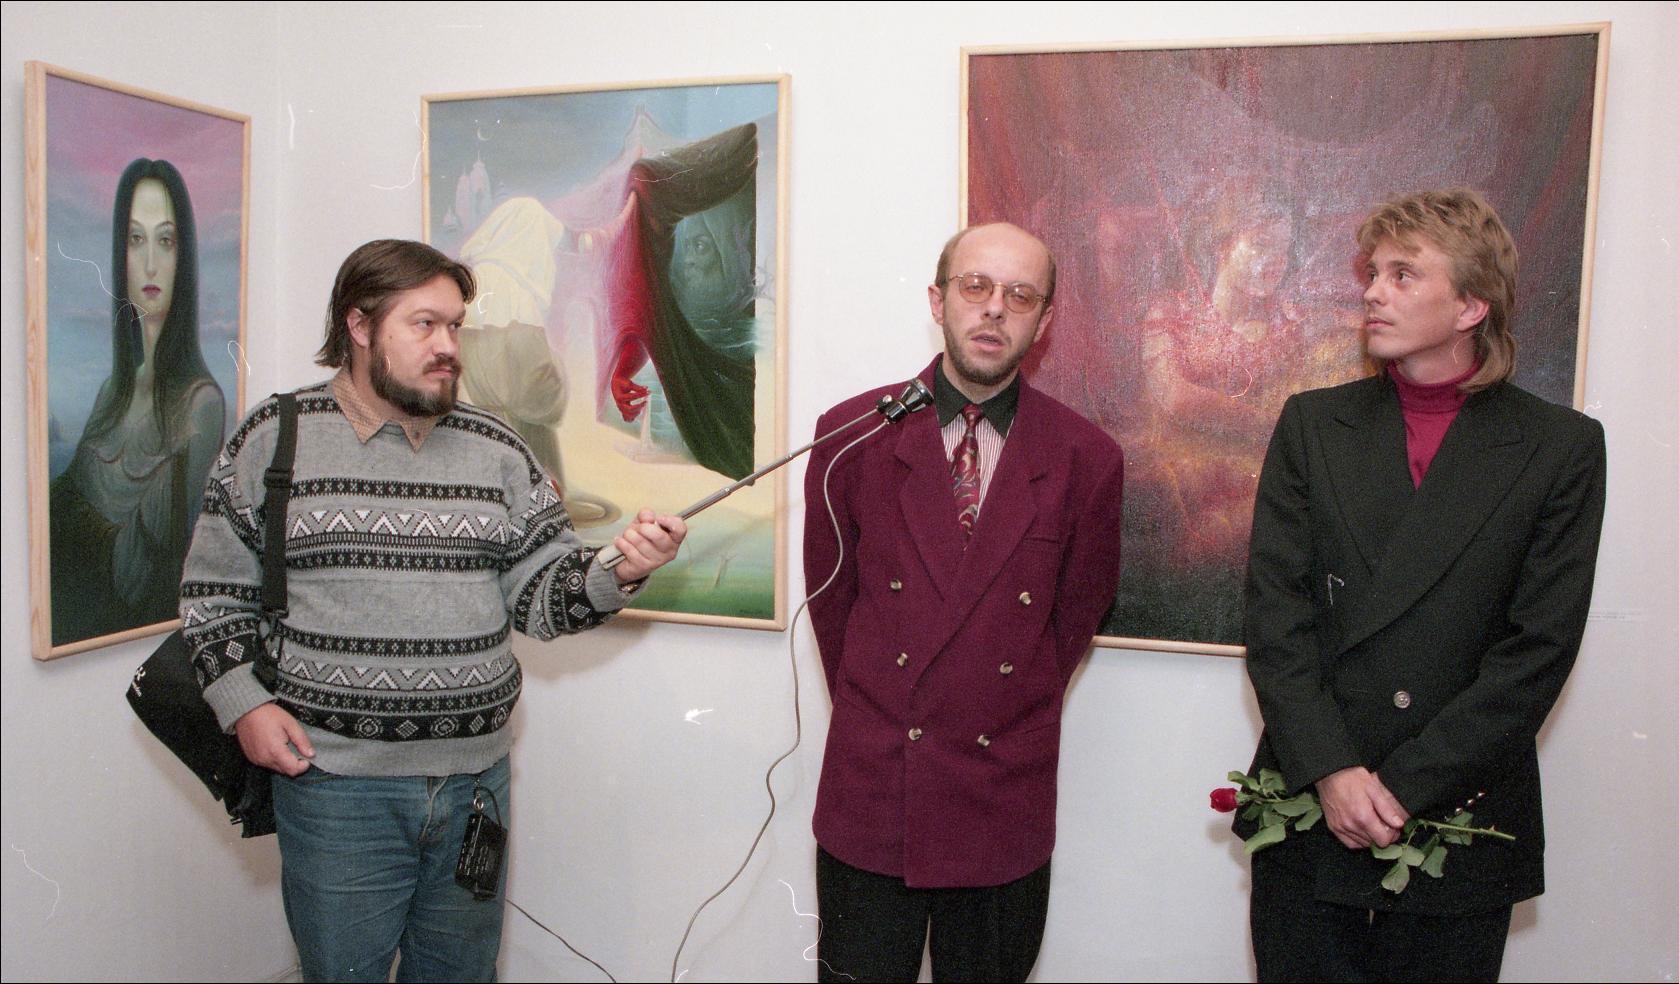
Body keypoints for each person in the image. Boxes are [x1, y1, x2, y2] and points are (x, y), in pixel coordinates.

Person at [179, 239, 686, 982]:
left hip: (475, 784)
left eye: (455, 326)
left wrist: (621, 568)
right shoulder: (275, 437)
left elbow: (542, 601)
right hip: (333, 788)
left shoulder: (498, 447)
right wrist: (244, 705)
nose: (449, 346)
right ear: (359, 326)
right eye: (424, 325)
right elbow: (213, 592)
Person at [1240, 189, 1607, 981]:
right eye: (1372, 272)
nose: (1373, 291)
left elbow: (1537, 650)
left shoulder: (1558, 447)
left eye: (1402, 274)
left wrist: (1404, 787)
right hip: (1315, 803)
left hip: (1457, 808)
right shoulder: (1312, 424)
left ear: (1471, 305)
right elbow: (1275, 620)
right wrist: (1333, 772)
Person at [803, 222, 1125, 982]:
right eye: (975, 286)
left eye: (1020, 295)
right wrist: (887, 710)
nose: (994, 308)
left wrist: (985, 697)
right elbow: (832, 609)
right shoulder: (851, 435)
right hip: (874, 790)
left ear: (1044, 321)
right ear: (937, 300)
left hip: (999, 800)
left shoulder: (1086, 459)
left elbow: (1070, 624)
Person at [50, 158, 225, 646]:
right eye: (135, 239)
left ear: (184, 256)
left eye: (165, 241)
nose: (150, 264)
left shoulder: (201, 405)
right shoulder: (111, 392)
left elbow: (152, 575)